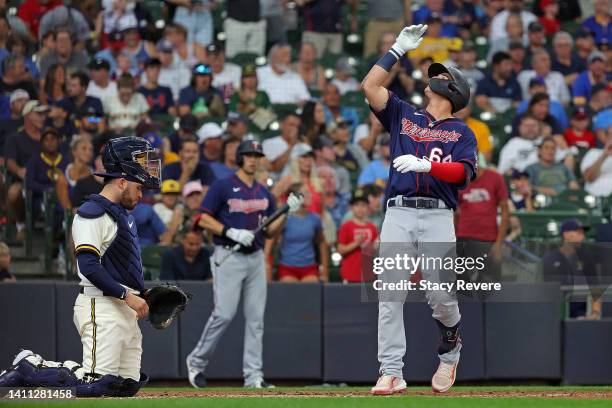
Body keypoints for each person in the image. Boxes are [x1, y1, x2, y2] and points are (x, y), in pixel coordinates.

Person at [362, 24, 477, 394]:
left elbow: (464, 173)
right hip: (398, 212)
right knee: (390, 291)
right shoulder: (404, 115)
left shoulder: (462, 132)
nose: (433, 79)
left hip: (437, 213)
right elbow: (370, 87)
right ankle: (391, 370)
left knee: (440, 295)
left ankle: (450, 347)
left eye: (440, 77)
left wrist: (428, 166)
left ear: (453, 90)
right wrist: (396, 49)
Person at [0, 136, 158, 396]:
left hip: (125, 309)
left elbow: (121, 266)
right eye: (138, 187)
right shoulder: (92, 212)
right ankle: (30, 365)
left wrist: (143, 295)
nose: (141, 194)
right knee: (95, 385)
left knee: (127, 387)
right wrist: (127, 295)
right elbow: (88, 267)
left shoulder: (121, 215)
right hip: (102, 305)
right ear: (121, 181)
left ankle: (34, 368)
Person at [187, 139, 303, 388]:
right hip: (228, 254)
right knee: (224, 314)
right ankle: (196, 362)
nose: (252, 159)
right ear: (240, 157)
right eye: (248, 154)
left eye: (256, 155)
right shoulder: (223, 186)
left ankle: (253, 377)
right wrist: (231, 232)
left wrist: (286, 212)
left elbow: (270, 232)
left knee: (256, 319)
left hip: (255, 257)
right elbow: (202, 219)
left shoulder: (264, 193)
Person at [456, 164, 509, 283]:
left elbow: (505, 211)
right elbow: (454, 213)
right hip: (463, 240)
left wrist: (498, 244)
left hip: (489, 241)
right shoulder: (457, 180)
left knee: (490, 287)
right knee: (461, 287)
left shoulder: (495, 178)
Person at [267, 182, 328, 282]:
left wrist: (325, 271)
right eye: (306, 193)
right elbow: (272, 240)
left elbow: (322, 242)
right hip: (287, 267)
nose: (310, 195)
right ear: (295, 197)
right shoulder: (284, 217)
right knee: (291, 290)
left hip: (309, 267)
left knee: (311, 290)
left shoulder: (315, 218)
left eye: (309, 193)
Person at [5, 100, 49, 237]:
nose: (43, 117)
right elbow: (10, 161)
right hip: (25, 180)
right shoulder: (15, 138)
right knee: (13, 192)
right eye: (39, 114)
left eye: (44, 114)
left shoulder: (48, 138)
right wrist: (19, 170)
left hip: (46, 178)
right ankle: (20, 224)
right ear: (27, 115)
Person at [542, 219, 601, 319]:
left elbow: (595, 287)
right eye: (578, 233)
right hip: (552, 314)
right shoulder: (550, 258)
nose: (582, 237)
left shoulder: (586, 258)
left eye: (582, 233)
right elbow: (542, 288)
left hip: (579, 314)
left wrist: (595, 312)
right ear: (566, 235)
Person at [337, 188, 378, 283]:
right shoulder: (346, 226)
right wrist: (356, 243)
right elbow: (340, 249)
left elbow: (375, 251)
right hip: (350, 274)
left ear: (368, 207)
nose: (360, 208)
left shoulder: (372, 227)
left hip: (369, 274)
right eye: (356, 205)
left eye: (363, 205)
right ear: (351, 207)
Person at [25, 127, 71, 210]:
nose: (50, 143)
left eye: (53, 139)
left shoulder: (66, 161)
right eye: (46, 140)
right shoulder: (34, 160)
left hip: (64, 196)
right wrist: (47, 189)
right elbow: (30, 182)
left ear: (58, 141)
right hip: (41, 198)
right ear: (41, 143)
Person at [262, 111, 301, 179]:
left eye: (297, 126)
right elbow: (275, 167)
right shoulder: (270, 143)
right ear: (282, 125)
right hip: (275, 182)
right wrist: (291, 145)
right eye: (291, 125)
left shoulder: (302, 146)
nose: (294, 129)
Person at [581, 129, 612, 198]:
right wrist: (604, 156)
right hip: (594, 199)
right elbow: (589, 178)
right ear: (606, 138)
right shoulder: (593, 153)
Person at [0, 89, 29, 160]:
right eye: (19, 100)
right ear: (11, 105)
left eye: (26, 101)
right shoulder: (2, 124)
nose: (24, 103)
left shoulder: (33, 122)